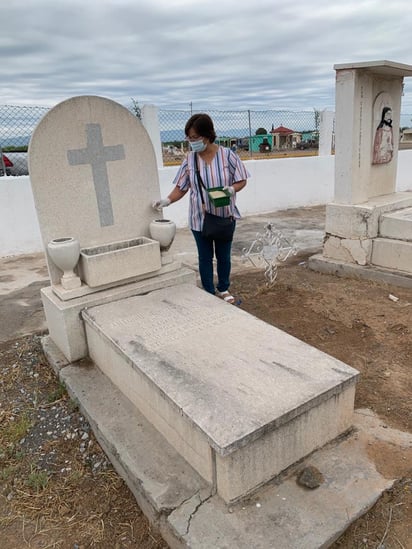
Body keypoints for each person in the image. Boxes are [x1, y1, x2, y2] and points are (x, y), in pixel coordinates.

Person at [152, 113, 249, 304]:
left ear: (207, 135)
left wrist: (231, 190)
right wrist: (167, 200)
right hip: (199, 218)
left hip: (224, 215)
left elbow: (241, 179)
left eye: (195, 137)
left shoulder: (228, 155)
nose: (191, 141)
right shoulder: (190, 160)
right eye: (189, 137)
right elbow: (182, 186)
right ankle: (208, 291)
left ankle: (223, 288)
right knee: (204, 257)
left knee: (224, 256)